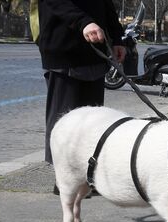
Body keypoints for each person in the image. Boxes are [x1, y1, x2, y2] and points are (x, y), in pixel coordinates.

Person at [36, 0, 126, 165]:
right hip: (63, 51)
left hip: (95, 52)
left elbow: (106, 5)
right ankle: (64, 182)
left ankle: (87, 177)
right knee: (65, 125)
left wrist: (117, 38)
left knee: (93, 125)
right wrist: (84, 22)